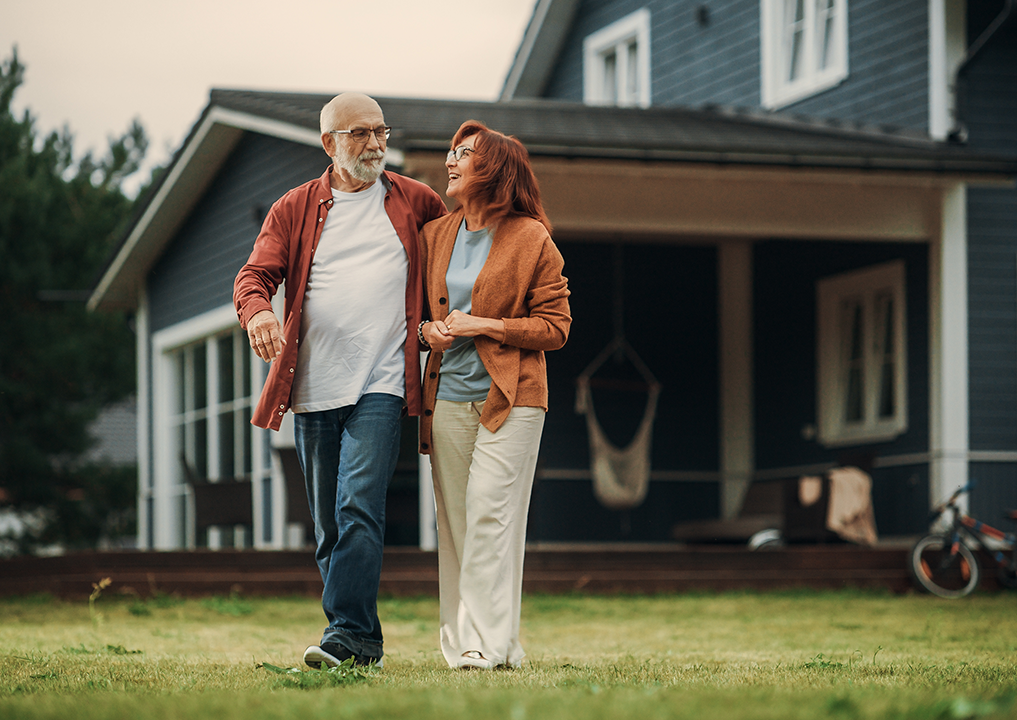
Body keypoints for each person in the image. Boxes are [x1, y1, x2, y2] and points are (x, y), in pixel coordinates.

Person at [233, 92, 447, 669]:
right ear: (330, 144)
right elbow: (256, 273)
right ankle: (362, 643)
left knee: (358, 505)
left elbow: (459, 256)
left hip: (381, 383)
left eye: (381, 131)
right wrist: (258, 313)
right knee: (328, 524)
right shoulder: (295, 208)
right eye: (361, 134)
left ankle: (345, 635)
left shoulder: (417, 201)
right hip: (311, 390)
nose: (377, 143)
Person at [417, 120, 571, 670]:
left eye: (464, 153)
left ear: (495, 169)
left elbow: (556, 327)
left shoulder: (532, 237)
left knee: (490, 515)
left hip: (513, 398)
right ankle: (488, 643)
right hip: (447, 400)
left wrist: (486, 324)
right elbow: (418, 318)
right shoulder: (436, 233)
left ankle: (479, 643)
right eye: (451, 150)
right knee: (458, 526)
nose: (451, 160)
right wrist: (427, 333)